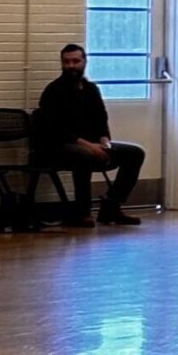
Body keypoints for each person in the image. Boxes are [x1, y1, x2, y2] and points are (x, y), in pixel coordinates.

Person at [35, 44, 145, 227]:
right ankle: (81, 212)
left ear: (84, 62)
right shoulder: (54, 91)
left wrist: (104, 140)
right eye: (67, 62)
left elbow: (101, 119)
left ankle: (111, 205)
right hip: (58, 146)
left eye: (75, 61)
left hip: (91, 143)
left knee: (135, 153)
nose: (71, 66)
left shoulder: (91, 89)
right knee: (83, 156)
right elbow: (55, 130)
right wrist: (89, 145)